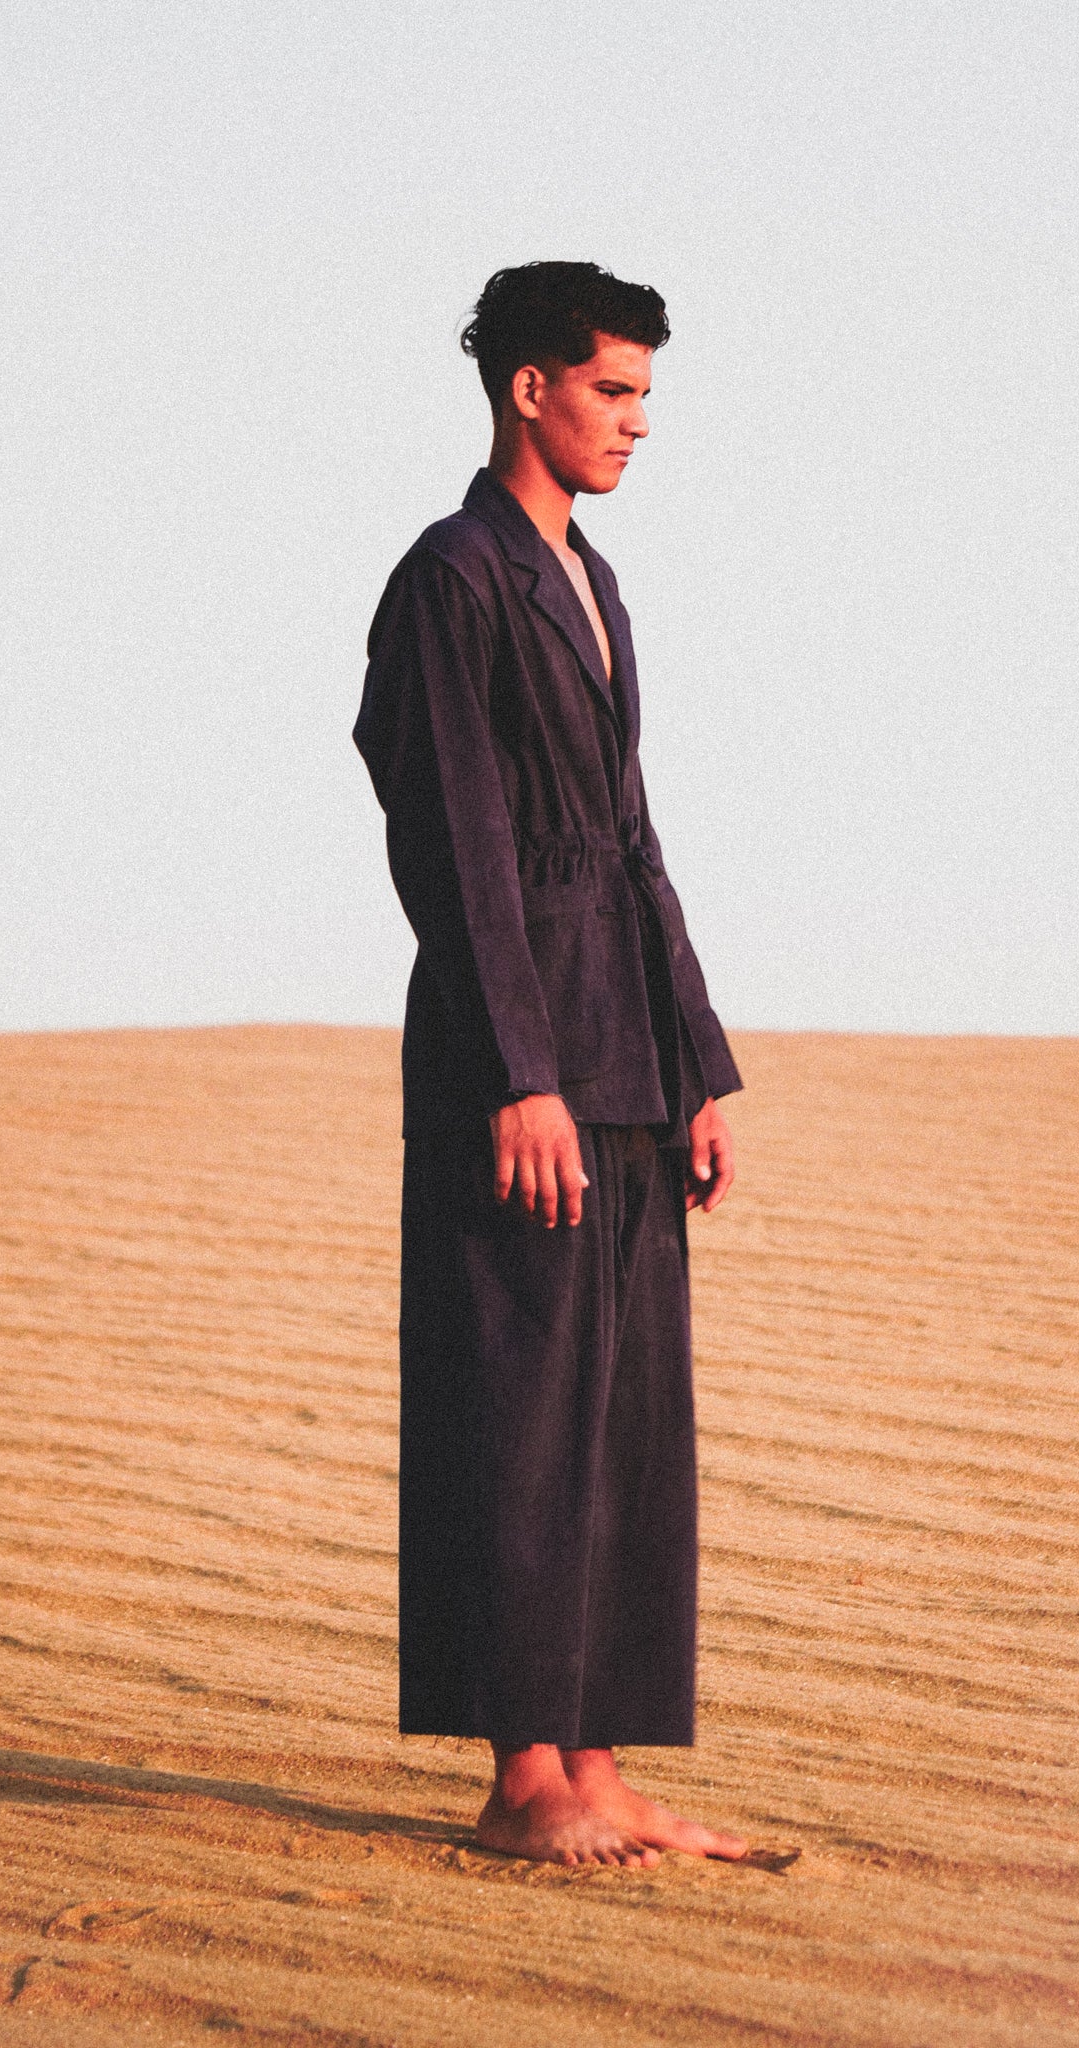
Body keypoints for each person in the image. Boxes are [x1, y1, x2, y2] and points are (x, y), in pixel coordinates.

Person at [353, 261, 750, 1867]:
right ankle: (523, 1778)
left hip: (630, 1053)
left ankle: (600, 1762)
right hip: (516, 1056)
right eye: (613, 391)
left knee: (626, 1416)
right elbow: (450, 837)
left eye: (646, 394)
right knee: (515, 1406)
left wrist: (700, 1062)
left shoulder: (595, 580)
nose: (638, 423)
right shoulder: (449, 580)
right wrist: (523, 1073)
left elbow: (634, 840)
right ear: (530, 387)